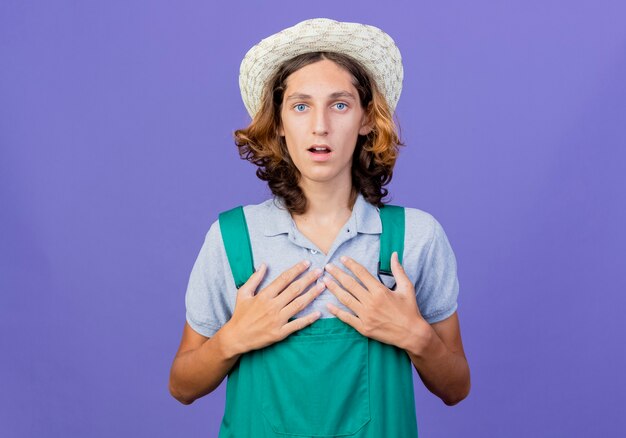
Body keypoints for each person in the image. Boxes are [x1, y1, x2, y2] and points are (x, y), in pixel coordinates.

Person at [169, 17, 470, 437]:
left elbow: (456, 387)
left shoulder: (417, 237)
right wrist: (232, 338)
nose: (320, 126)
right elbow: (182, 386)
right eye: (301, 105)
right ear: (278, 121)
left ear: (367, 119)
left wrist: (415, 335)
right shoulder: (234, 238)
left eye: (340, 104)